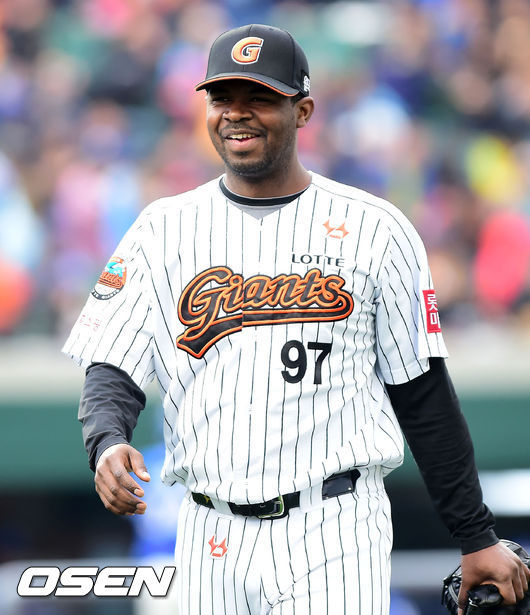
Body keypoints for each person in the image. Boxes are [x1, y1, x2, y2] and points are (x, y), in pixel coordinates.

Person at [63, 24, 530, 615]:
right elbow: (112, 366)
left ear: (302, 110)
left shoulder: (375, 229)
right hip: (208, 530)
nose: (237, 113)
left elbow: (423, 395)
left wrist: (475, 534)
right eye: (222, 98)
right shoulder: (162, 229)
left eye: (259, 97)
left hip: (332, 526)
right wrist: (107, 442)